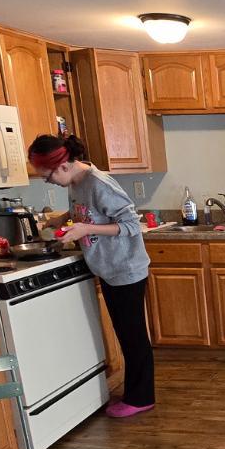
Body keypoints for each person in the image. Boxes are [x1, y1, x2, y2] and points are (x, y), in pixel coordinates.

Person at [27, 134, 154, 420]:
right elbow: (89, 215)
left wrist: (86, 230)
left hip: (126, 269)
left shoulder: (98, 183)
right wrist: (63, 220)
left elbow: (131, 224)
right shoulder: (76, 183)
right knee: (127, 335)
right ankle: (137, 393)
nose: (49, 183)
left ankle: (141, 397)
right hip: (108, 269)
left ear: (61, 166)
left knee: (133, 337)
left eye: (47, 178)